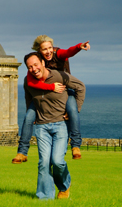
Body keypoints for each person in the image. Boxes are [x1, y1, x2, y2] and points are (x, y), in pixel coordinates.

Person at [12, 35, 90, 164]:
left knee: (72, 110)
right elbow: (30, 86)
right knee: (28, 117)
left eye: (50, 48)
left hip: (64, 87)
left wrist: (79, 47)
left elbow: (68, 52)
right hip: (45, 91)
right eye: (44, 49)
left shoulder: (57, 53)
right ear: (39, 51)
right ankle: (22, 152)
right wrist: (50, 87)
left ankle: (76, 145)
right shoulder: (35, 63)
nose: (48, 51)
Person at [23, 52, 85, 199]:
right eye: (30, 67)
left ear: (43, 63)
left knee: (57, 161)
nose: (34, 69)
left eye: (36, 64)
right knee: (44, 163)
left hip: (60, 125)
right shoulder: (29, 81)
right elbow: (28, 98)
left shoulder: (58, 76)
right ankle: (45, 198)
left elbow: (81, 87)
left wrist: (75, 110)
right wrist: (31, 115)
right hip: (42, 126)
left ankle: (64, 186)